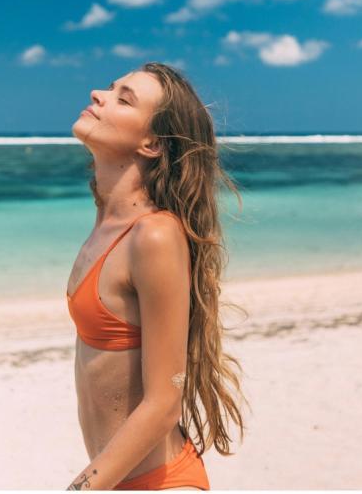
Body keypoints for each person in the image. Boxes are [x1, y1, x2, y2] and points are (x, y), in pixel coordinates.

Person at [65, 62, 249, 491]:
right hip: (115, 481)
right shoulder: (107, 223)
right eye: (110, 88)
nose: (98, 94)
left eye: (123, 99)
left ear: (151, 143)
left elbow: (165, 402)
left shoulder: (154, 235)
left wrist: (79, 489)